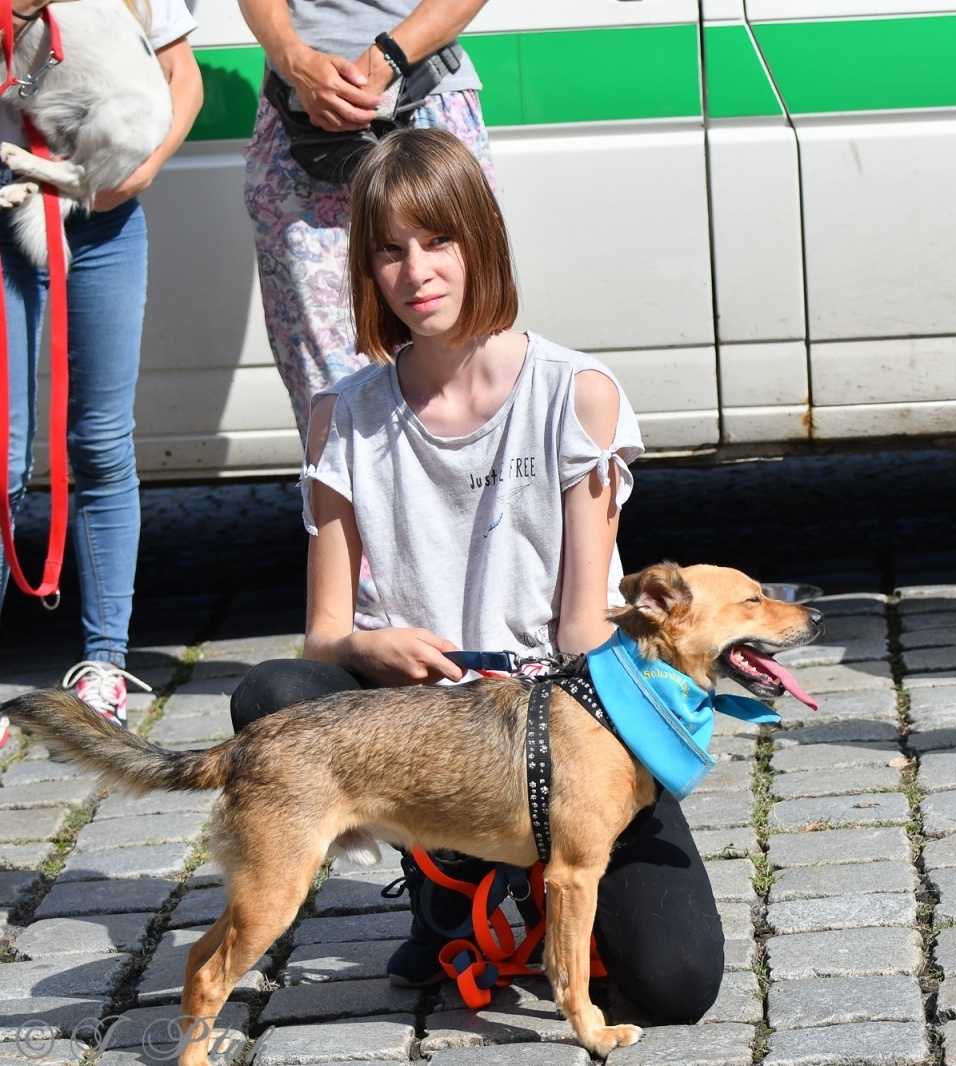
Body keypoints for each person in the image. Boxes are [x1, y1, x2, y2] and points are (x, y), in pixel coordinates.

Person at [226, 128, 724, 1021]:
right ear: (367, 270)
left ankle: (525, 885)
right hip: (422, 721)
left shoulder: (578, 393)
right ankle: (446, 882)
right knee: (274, 696)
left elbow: (583, 629)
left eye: (438, 240)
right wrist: (368, 646)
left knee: (676, 983)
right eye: (389, 249)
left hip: (555, 718)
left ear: (480, 240)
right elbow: (325, 630)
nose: (416, 270)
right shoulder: (342, 414)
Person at [0, 0, 203, 746]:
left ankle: (104, 665)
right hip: (7, 203)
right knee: (5, 452)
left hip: (105, 219)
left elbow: (182, 77)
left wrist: (142, 164)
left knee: (102, 442)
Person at [239, 0, 495, 438]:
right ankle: (348, 502)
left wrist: (385, 61)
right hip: (299, 118)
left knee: (455, 354)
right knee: (328, 385)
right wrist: (296, 62)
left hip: (423, 96)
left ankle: (461, 498)